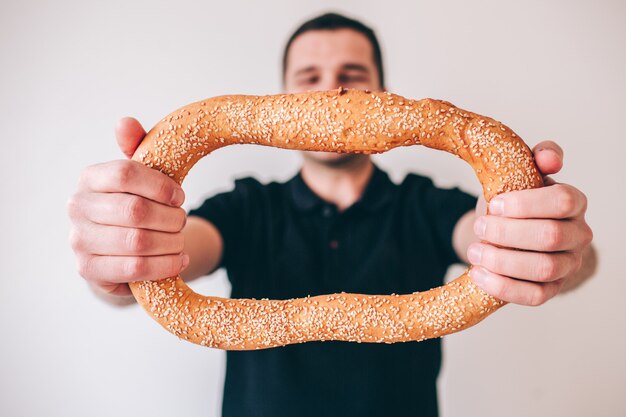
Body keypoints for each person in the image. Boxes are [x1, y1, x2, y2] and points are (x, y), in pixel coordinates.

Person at [68, 12, 596, 417]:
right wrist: (119, 254)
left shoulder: (426, 204)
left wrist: (554, 246)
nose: (330, 92)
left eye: (350, 76)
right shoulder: (248, 207)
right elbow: (180, 251)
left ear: (385, 96)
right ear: (279, 100)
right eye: (309, 76)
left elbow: (487, 236)